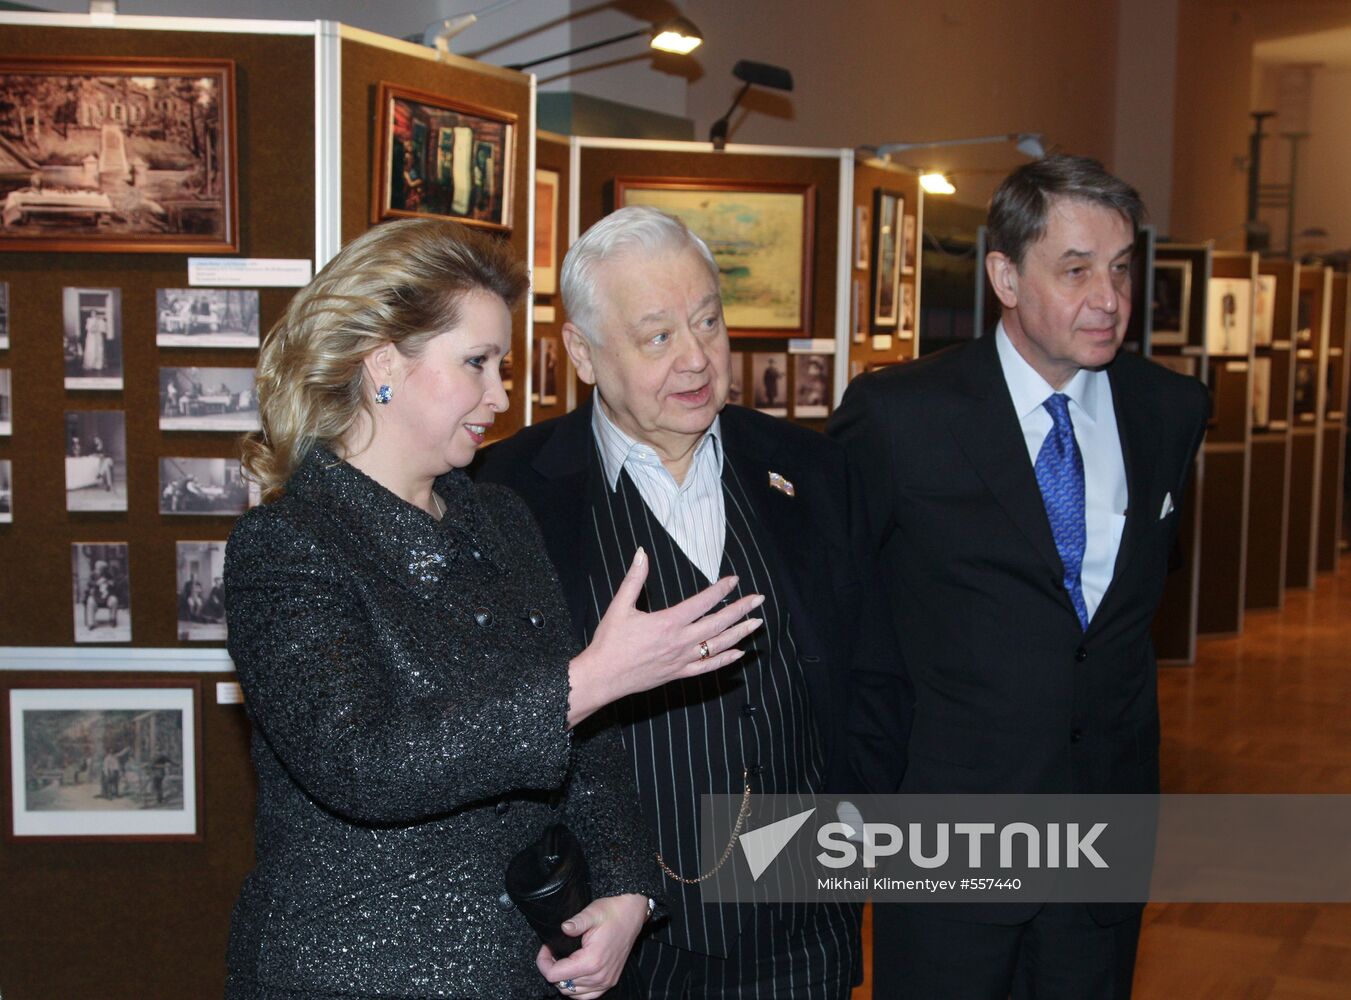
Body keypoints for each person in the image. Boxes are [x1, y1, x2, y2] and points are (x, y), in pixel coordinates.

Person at [224, 217, 764, 1000]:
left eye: (502, 364)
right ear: (382, 363)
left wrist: (624, 893)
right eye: (475, 362)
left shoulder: (498, 519)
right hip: (356, 972)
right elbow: (363, 763)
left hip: (526, 972)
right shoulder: (286, 543)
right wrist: (591, 679)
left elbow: (589, 747)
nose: (501, 394)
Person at [476, 206, 891, 999]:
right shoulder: (507, 494)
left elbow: (875, 675)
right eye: (658, 336)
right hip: (613, 939)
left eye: (709, 322)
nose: (698, 359)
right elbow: (493, 716)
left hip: (800, 926)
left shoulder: (811, 472)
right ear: (582, 354)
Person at [828, 155, 1210, 999]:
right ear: (1003, 274)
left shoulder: (1170, 410)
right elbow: (843, 612)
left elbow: (1120, 612)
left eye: (1118, 268)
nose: (1107, 298)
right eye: (1074, 271)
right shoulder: (901, 416)